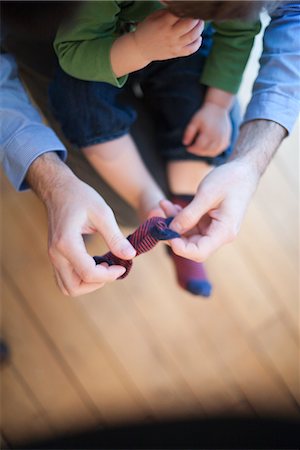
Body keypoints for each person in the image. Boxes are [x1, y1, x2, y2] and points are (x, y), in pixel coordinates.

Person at [0, 2, 299, 297]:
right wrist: (139, 48)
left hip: (182, 50)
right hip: (104, 52)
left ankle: (179, 214)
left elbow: (240, 34)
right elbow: (74, 52)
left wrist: (217, 105)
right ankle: (147, 199)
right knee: (79, 103)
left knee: (204, 119)